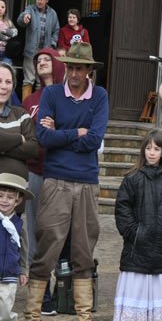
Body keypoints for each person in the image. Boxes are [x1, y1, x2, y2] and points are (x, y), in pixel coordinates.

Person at [26, 42, 108, 321]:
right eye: (70, 66)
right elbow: (43, 138)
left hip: (86, 182)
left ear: (88, 71)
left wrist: (61, 132)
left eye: (80, 68)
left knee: (84, 250)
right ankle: (32, 314)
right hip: (55, 181)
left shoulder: (99, 96)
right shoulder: (50, 93)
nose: (74, 73)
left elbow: (95, 139)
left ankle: (84, 315)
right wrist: (77, 133)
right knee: (47, 247)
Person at [113, 130, 162, 321]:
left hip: (161, 256)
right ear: (143, 151)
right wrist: (135, 233)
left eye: (157, 148)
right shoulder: (131, 179)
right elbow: (122, 210)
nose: (152, 152)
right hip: (135, 255)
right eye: (149, 148)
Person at [21, 48, 65, 316]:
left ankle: (63, 290)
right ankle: (41, 294)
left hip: (60, 171)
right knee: (35, 232)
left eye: (47, 59)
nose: (42, 63)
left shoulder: (67, 97)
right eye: (38, 61)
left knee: (59, 233)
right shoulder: (30, 101)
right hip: (35, 172)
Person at [16, 0, 59, 101]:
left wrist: (52, 45)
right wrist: (24, 18)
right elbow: (20, 19)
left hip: (45, 52)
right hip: (31, 51)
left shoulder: (53, 14)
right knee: (28, 80)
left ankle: (40, 107)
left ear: (47, 0)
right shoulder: (30, 9)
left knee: (42, 80)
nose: (39, 1)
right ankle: (25, 108)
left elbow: (56, 31)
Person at [0, 173, 32, 320]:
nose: (4, 200)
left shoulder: (19, 225)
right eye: (0, 196)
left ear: (17, 201)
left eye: (10, 197)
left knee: (5, 310)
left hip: (9, 276)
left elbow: (24, 249)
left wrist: (23, 271)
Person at [0, 63, 38, 178]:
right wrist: (19, 138)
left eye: (8, 82)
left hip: (16, 190)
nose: (4, 86)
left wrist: (2, 148)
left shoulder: (21, 114)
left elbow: (33, 148)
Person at [0, 0, 18, 64]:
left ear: (5, 10)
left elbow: (15, 32)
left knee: (6, 69)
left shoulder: (8, 22)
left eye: (2, 7)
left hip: (6, 52)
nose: (0, 9)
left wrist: (5, 32)